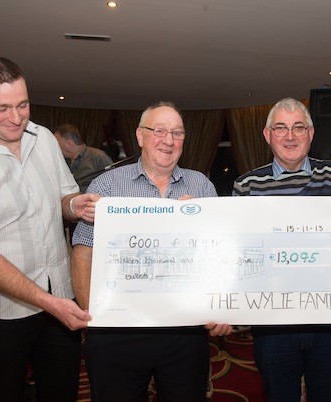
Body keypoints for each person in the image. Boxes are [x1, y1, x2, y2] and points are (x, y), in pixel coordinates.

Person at [0, 56, 99, 402]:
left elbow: (63, 196)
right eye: (1, 108)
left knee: (62, 392)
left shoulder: (42, 137)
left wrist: (76, 205)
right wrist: (48, 302)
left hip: (58, 298)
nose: (15, 118)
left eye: (22, 104)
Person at [71, 101, 231, 402]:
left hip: (185, 330)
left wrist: (221, 306)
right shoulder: (107, 185)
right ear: (140, 136)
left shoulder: (202, 186)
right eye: (159, 131)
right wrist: (94, 316)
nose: (168, 141)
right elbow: (83, 252)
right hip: (119, 331)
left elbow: (218, 255)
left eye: (177, 133)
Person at [232, 97, 331, 401]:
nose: (290, 136)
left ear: (311, 134)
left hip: (328, 320)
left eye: (299, 127)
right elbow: (238, 250)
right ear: (267, 135)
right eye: (280, 128)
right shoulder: (247, 185)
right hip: (272, 325)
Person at [53, 123, 113, 193]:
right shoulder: (62, 161)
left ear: (69, 144)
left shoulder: (98, 157)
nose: (55, 147)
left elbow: (114, 182)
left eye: (57, 144)